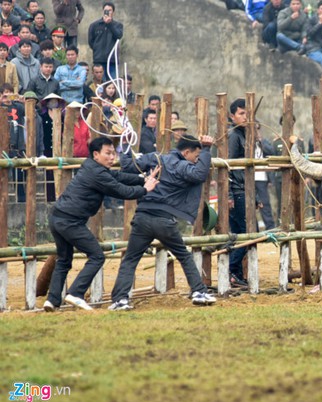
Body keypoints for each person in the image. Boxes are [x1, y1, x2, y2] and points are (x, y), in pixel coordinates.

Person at [42, 137, 159, 312]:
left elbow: (118, 176)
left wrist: (143, 179)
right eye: (108, 153)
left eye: (114, 153)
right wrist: (145, 189)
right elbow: (122, 191)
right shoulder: (98, 174)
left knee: (64, 260)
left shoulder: (93, 167)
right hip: (70, 221)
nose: (112, 157)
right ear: (96, 154)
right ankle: (76, 293)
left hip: (57, 218)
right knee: (97, 256)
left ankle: (52, 300)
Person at [109, 134, 217, 310]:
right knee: (183, 255)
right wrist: (206, 149)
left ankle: (120, 300)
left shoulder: (155, 158)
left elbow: (128, 165)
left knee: (130, 259)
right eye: (195, 156)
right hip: (164, 220)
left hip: (142, 217)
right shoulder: (182, 166)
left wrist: (126, 144)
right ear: (186, 152)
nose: (196, 160)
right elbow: (199, 174)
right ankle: (198, 291)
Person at [228, 98, 249, 287]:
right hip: (236, 191)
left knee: (238, 234)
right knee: (250, 233)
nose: (245, 117)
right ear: (232, 116)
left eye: (247, 113)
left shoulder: (244, 134)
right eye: (241, 113)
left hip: (243, 189)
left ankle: (236, 274)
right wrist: (228, 194)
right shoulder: (233, 135)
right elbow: (227, 165)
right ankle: (231, 269)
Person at [88, 2, 123, 80]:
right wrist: (97, 49)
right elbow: (91, 42)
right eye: (106, 10)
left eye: (110, 10)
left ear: (113, 12)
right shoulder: (94, 25)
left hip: (112, 61)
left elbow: (118, 36)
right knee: (101, 84)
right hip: (99, 60)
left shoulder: (117, 25)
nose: (107, 12)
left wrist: (109, 24)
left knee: (112, 84)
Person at [254, 122, 276, 230]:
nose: (256, 131)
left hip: (262, 178)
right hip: (247, 179)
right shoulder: (244, 141)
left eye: (258, 128)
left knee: (265, 204)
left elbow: (271, 151)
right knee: (250, 205)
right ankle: (254, 229)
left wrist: (260, 141)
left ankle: (270, 228)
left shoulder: (264, 141)